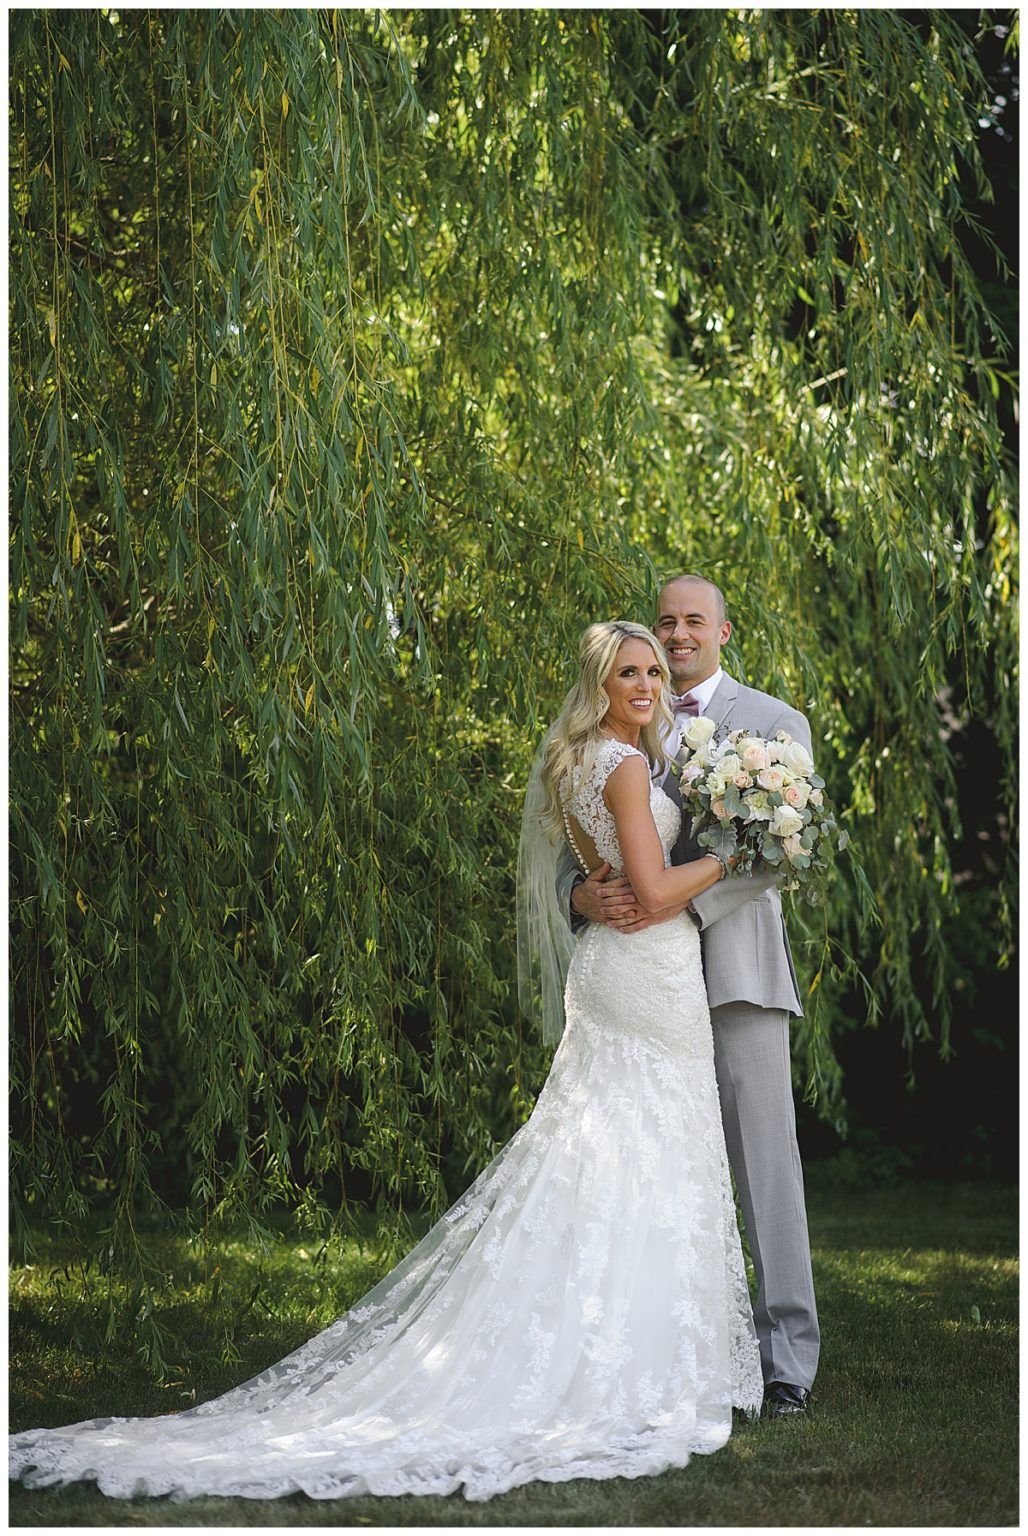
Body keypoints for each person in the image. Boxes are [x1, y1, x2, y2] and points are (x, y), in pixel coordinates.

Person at [9, 620, 763, 1505]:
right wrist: (730, 856)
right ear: (599, 683)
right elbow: (657, 888)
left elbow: (602, 875)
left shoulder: (577, 762)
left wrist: (596, 891)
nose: (645, 685)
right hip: (647, 972)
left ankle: (609, 1344)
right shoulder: (627, 765)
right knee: (648, 1149)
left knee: (603, 1154)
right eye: (628, 672)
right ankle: (638, 1363)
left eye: (652, 673)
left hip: (611, 971)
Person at [557, 575, 820, 1418]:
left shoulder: (773, 722)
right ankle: (669, 1350)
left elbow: (784, 848)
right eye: (666, 621)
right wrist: (580, 895)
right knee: (647, 1161)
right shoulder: (629, 721)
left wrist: (675, 903)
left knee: (763, 1168)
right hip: (642, 979)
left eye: (693, 622)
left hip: (735, 970)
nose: (676, 635)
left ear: (722, 632)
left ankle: (786, 1365)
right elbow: (582, 844)